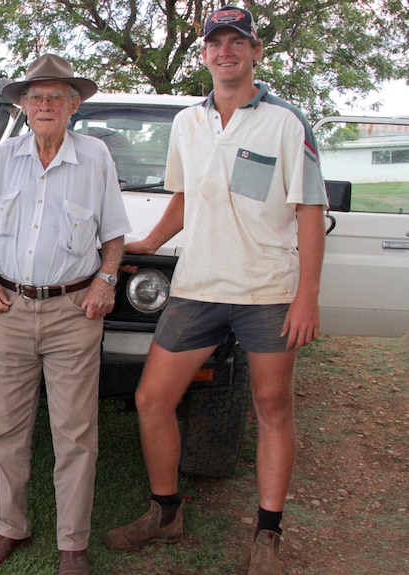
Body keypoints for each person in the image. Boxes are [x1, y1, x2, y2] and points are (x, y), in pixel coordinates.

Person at [103, 7, 328, 575]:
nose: (225, 51)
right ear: (203, 54)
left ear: (256, 51)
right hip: (198, 285)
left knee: (272, 407)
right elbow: (182, 197)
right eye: (215, 43)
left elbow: (309, 211)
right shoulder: (188, 122)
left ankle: (267, 536)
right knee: (153, 401)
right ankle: (165, 514)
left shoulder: (285, 122)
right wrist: (146, 240)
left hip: (267, 290)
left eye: (237, 42)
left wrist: (307, 297)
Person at [0, 54, 132, 575]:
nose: (44, 105)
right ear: (22, 104)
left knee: (75, 431)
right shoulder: (3, 157)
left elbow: (113, 233)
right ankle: (9, 529)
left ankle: (72, 545)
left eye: (55, 97)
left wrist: (107, 279)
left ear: (73, 105)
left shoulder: (96, 157)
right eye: (36, 97)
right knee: (5, 430)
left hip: (72, 312)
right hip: (10, 309)